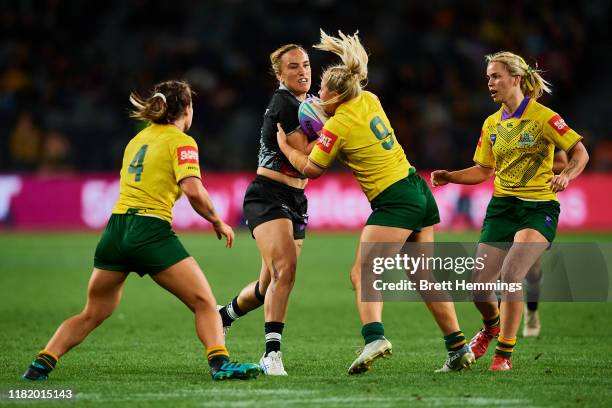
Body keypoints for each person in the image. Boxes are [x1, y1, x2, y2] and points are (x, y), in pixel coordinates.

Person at [22, 80, 260, 381]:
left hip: (116, 231)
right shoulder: (181, 141)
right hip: (149, 231)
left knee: (93, 312)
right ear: (186, 109)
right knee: (204, 303)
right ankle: (220, 363)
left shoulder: (138, 140)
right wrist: (217, 220)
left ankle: (40, 365)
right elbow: (194, 190)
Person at [276, 29, 475, 374]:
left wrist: (286, 146)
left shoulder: (337, 125)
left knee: (363, 272)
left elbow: (312, 169)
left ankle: (375, 337)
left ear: (336, 94)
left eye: (321, 91)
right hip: (417, 190)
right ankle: (458, 347)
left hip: (395, 200)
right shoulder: (370, 100)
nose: (316, 96)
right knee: (423, 277)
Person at [431, 51, 589, 371]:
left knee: (512, 276)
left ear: (515, 78)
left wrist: (566, 175)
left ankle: (504, 354)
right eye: (488, 77)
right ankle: (491, 327)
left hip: (538, 208)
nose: (489, 82)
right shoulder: (491, 123)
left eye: (495, 76)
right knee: (478, 288)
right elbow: (482, 170)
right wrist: (451, 177)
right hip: (502, 207)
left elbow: (580, 153)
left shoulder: (545, 117)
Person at [217, 44, 316, 376]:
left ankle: (223, 316)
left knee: (266, 287)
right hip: (268, 195)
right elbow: (308, 157)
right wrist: (338, 130)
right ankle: (271, 354)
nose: (302, 71)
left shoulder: (309, 105)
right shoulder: (285, 103)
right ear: (279, 74)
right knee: (284, 270)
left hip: (296, 201)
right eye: (293, 67)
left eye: (305, 64)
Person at [523, 148, 568, 337]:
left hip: (538, 205)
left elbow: (562, 163)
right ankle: (497, 324)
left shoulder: (544, 122)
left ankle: (531, 311)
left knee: (531, 270)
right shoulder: (497, 124)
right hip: (505, 204)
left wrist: (531, 166)